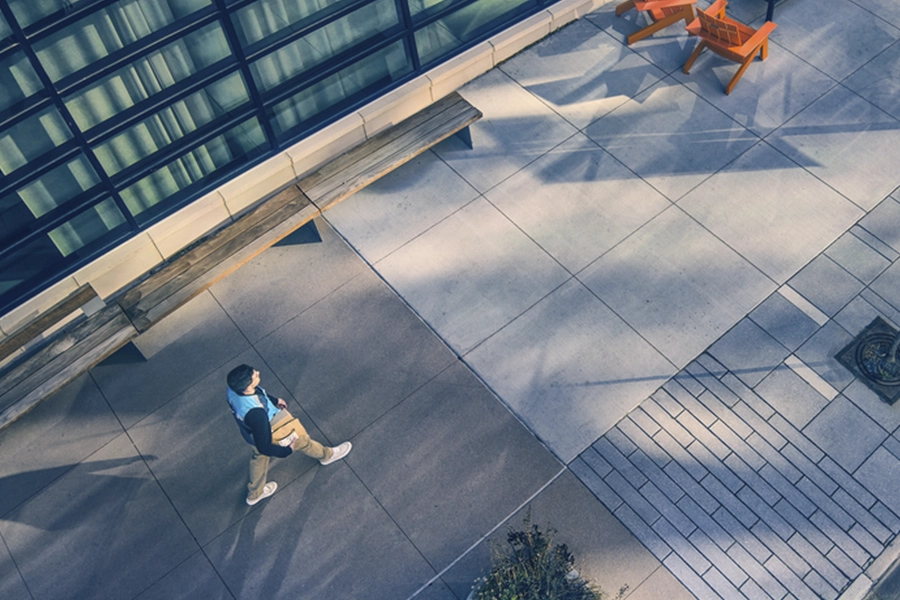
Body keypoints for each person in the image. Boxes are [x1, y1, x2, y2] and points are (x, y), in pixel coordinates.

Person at [226, 364, 352, 505]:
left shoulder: (232, 391)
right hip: (276, 427)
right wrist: (286, 450)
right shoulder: (257, 414)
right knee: (302, 440)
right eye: (254, 375)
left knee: (259, 458)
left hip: (252, 432)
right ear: (247, 387)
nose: (257, 372)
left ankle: (255, 493)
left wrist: (274, 400)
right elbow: (265, 446)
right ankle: (327, 455)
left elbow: (258, 395)